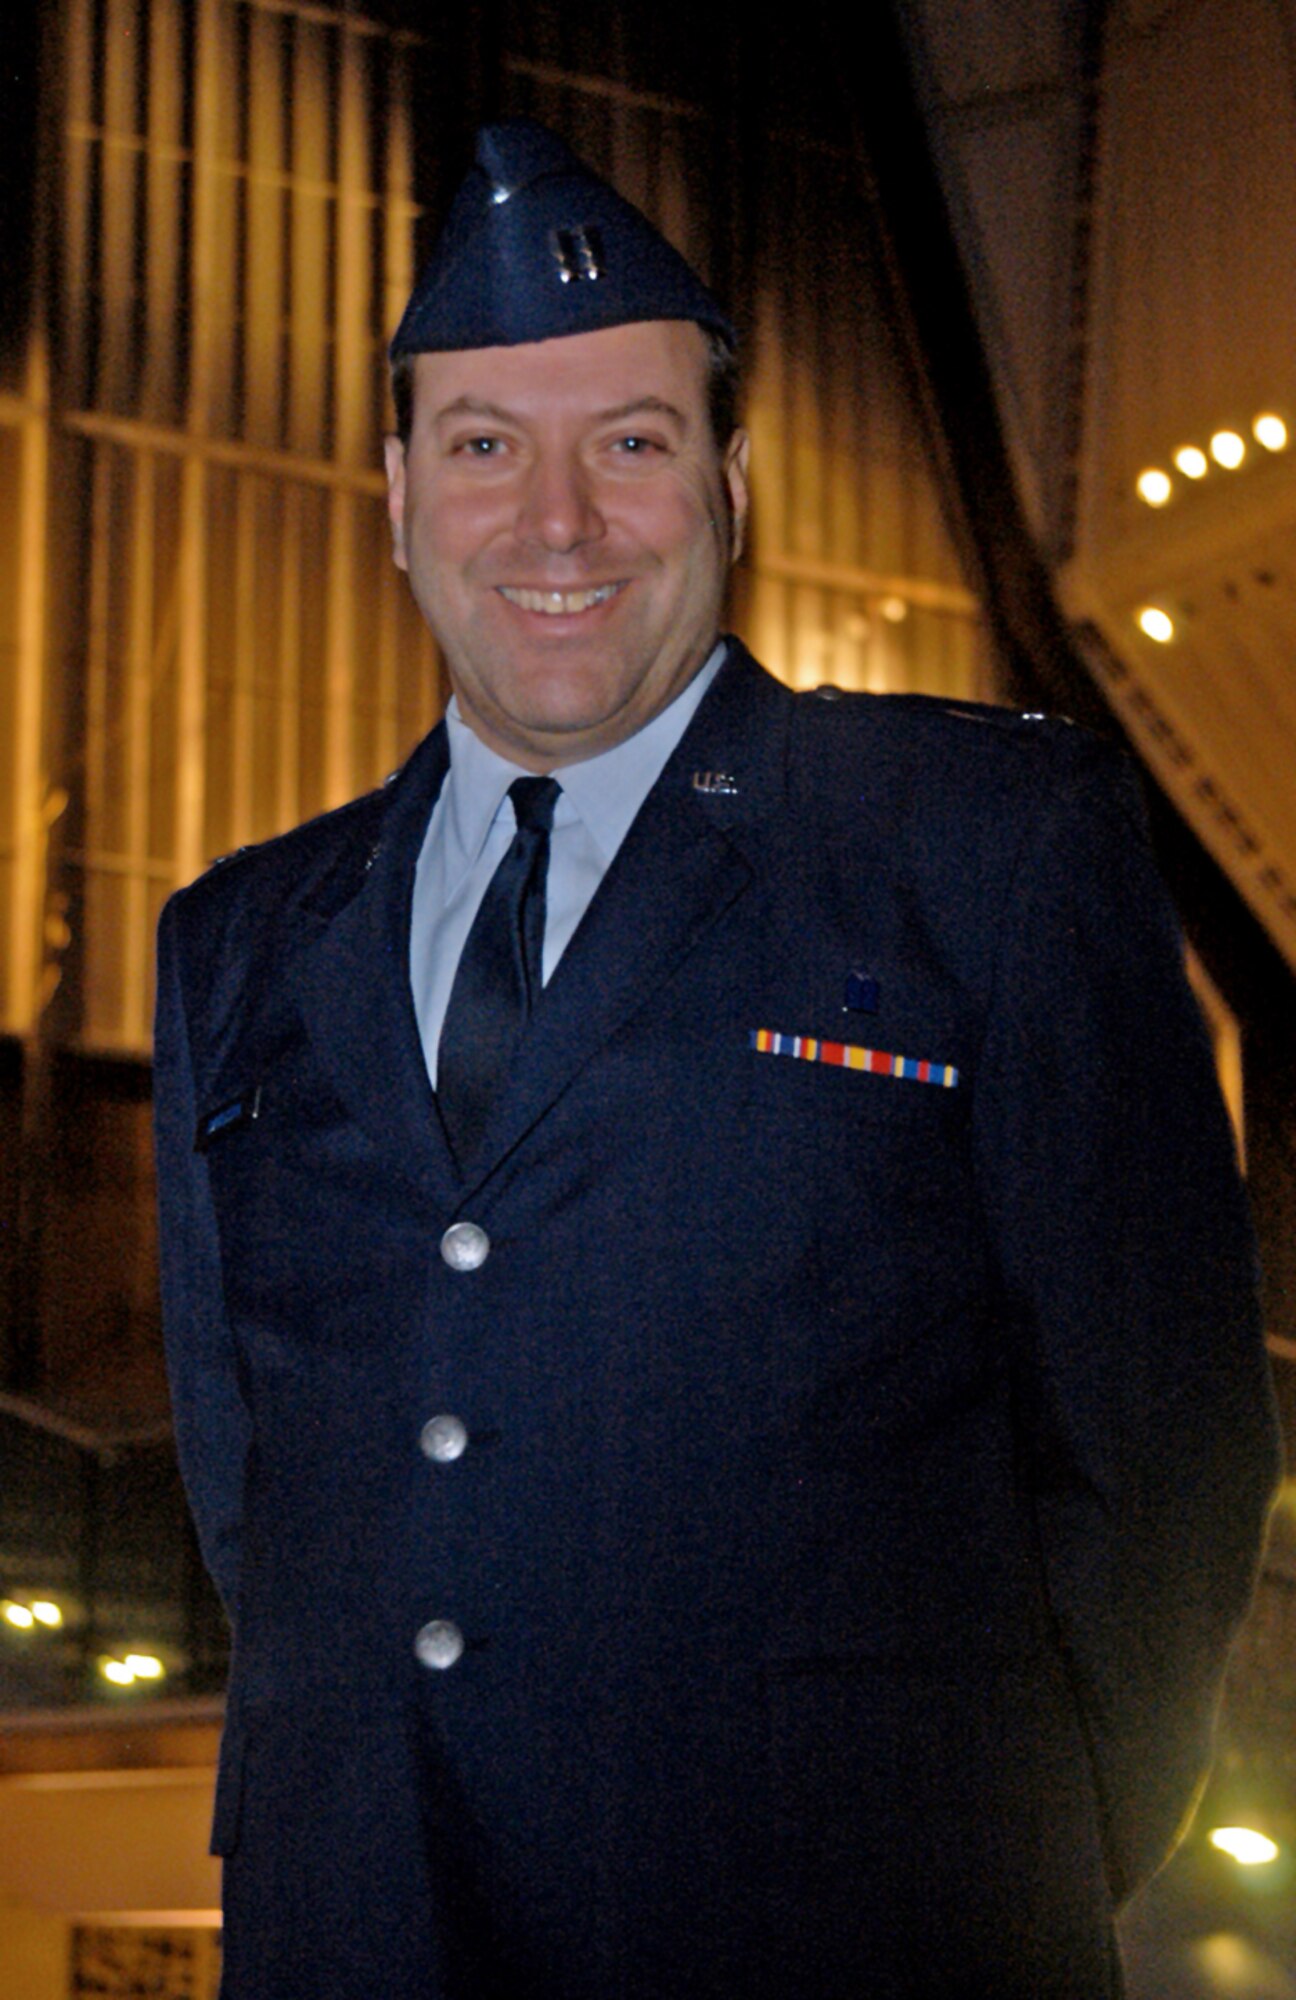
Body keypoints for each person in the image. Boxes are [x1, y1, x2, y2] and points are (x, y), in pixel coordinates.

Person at [154, 121, 1278, 1999]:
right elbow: (250, 1484)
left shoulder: (978, 846)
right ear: (399, 491)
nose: (559, 521)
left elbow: (1161, 1450)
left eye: (635, 443)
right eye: (488, 445)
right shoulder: (241, 937)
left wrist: (994, 1840)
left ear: (734, 481)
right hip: (358, 1928)